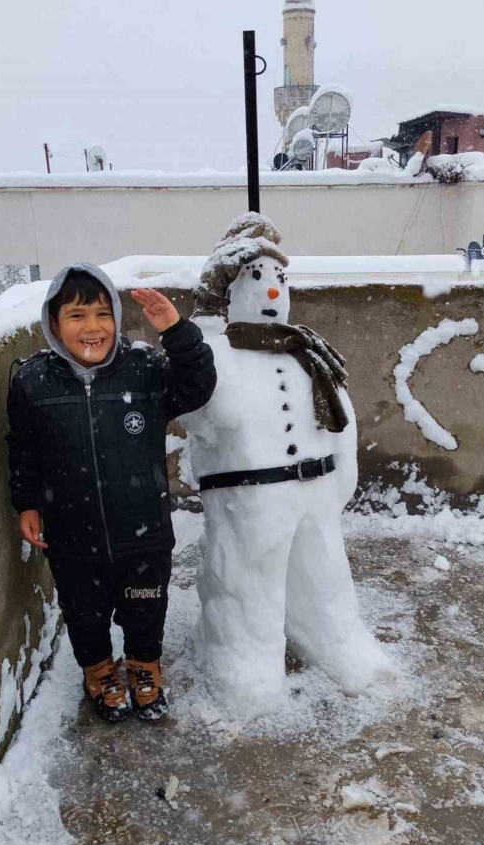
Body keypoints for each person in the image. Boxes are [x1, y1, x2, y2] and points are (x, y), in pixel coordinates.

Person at [179, 214, 394, 719]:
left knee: (324, 578)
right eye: (256, 280)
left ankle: (334, 636)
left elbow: (341, 422)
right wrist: (206, 321)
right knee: (248, 586)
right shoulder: (219, 354)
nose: (272, 293)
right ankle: (244, 659)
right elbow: (201, 409)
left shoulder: (310, 354)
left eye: (280, 281)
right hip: (250, 504)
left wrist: (341, 479)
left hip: (314, 498)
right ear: (228, 292)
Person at [6, 263, 216, 723]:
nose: (92, 327)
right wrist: (27, 501)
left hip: (143, 529)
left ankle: (144, 667)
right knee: (84, 613)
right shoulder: (31, 381)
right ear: (54, 324)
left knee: (145, 605)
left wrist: (177, 333)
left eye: (102, 314)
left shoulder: (144, 369)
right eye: (77, 316)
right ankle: (99, 671)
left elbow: (198, 387)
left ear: (117, 319)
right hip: (71, 533)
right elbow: (24, 449)